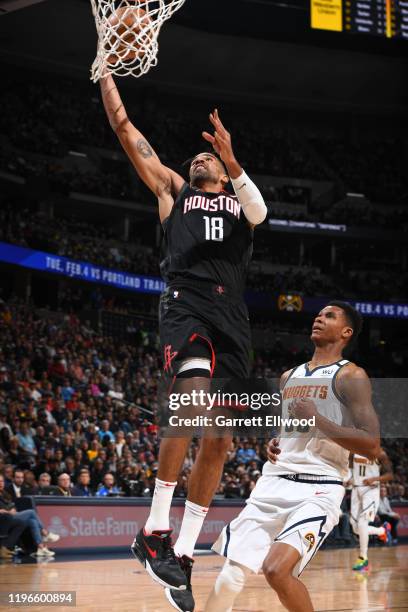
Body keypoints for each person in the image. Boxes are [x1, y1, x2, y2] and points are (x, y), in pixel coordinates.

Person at [99, 73, 267, 610]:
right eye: (195, 159)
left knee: (219, 441)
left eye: (208, 160)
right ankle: (153, 530)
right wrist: (106, 79)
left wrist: (234, 160)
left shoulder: (242, 203)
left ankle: (185, 555)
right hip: (187, 304)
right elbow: (127, 132)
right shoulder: (174, 191)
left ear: (223, 169)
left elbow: (262, 213)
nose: (199, 161)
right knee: (190, 401)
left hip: (232, 318)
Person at [205, 301, 381, 612]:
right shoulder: (289, 376)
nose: (319, 318)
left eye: (329, 316)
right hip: (274, 481)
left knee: (276, 569)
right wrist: (274, 444)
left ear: (346, 332)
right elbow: (290, 429)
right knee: (231, 574)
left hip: (319, 487)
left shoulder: (351, 376)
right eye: (318, 314)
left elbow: (371, 445)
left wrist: (319, 420)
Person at [348, 448, 393, 571]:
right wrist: (350, 478)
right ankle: (381, 531)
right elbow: (351, 468)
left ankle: (363, 558)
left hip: (370, 490)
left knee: (362, 523)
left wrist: (374, 479)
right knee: (356, 528)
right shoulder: (353, 450)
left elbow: (389, 475)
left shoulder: (380, 453)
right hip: (356, 489)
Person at [0, 474, 59, 557]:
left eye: (2, 481)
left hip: (11, 516)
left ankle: (40, 547)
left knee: (32, 521)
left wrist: (13, 509)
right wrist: (6, 511)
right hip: (4, 518)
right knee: (31, 512)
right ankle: (45, 533)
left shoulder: (4, 493)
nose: (1, 483)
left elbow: (11, 504)